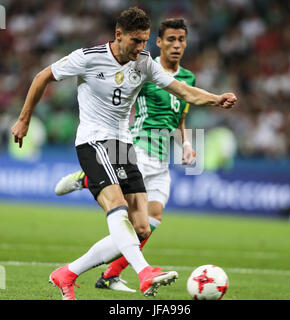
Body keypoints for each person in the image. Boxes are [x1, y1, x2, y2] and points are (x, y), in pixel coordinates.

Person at [11, 7, 237, 300]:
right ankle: (145, 273)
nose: (141, 47)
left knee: (142, 228)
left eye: (145, 41)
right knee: (116, 206)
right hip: (94, 142)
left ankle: (66, 274)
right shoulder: (88, 57)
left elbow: (183, 91)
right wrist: (25, 118)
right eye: (136, 41)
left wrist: (217, 99)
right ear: (119, 35)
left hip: (122, 145)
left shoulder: (143, 63)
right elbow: (43, 76)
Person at [55, 18, 198, 293]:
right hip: (137, 148)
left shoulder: (188, 79)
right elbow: (116, 94)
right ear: (159, 42)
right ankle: (91, 178)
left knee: (149, 224)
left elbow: (178, 118)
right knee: (124, 213)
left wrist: (186, 144)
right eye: (171, 39)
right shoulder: (144, 67)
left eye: (181, 40)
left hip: (162, 157)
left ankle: (103, 272)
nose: (177, 45)